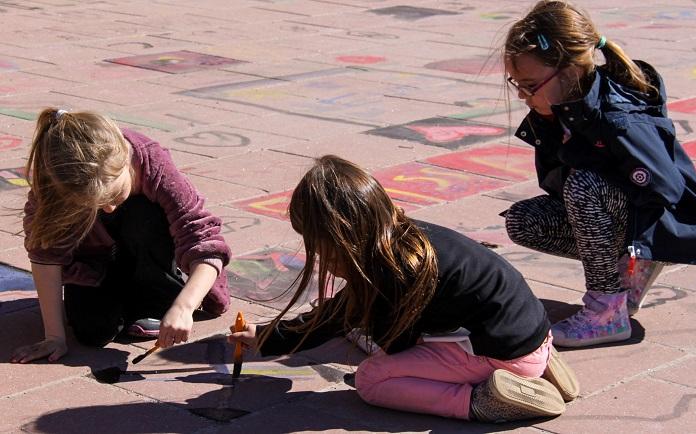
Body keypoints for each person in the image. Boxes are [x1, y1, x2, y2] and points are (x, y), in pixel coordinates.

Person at [228, 155, 579, 423]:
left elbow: (381, 338)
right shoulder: (405, 237)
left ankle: (485, 400)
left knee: (372, 378)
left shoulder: (392, 274)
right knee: (361, 328)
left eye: (318, 244)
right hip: (531, 329)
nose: (317, 253)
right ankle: (541, 363)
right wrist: (268, 336)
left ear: (341, 239)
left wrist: (273, 337)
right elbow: (342, 312)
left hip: (503, 355)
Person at [500, 0, 696, 347]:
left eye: (530, 85)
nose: (522, 95)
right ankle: (627, 273)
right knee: (523, 221)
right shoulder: (562, 109)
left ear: (570, 71)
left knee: (586, 185)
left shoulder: (618, 117)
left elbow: (665, 188)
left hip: (663, 222)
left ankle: (606, 311)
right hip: (626, 217)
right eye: (516, 83)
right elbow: (557, 186)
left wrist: (641, 238)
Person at [10, 108, 231, 363]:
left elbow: (204, 241)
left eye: (115, 195)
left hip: (149, 252)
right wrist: (54, 336)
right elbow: (44, 253)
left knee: (138, 213)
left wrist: (185, 306)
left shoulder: (151, 160)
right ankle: (127, 299)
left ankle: (158, 298)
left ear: (125, 162)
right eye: (95, 205)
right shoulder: (56, 183)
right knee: (92, 332)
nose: (109, 209)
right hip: (96, 263)